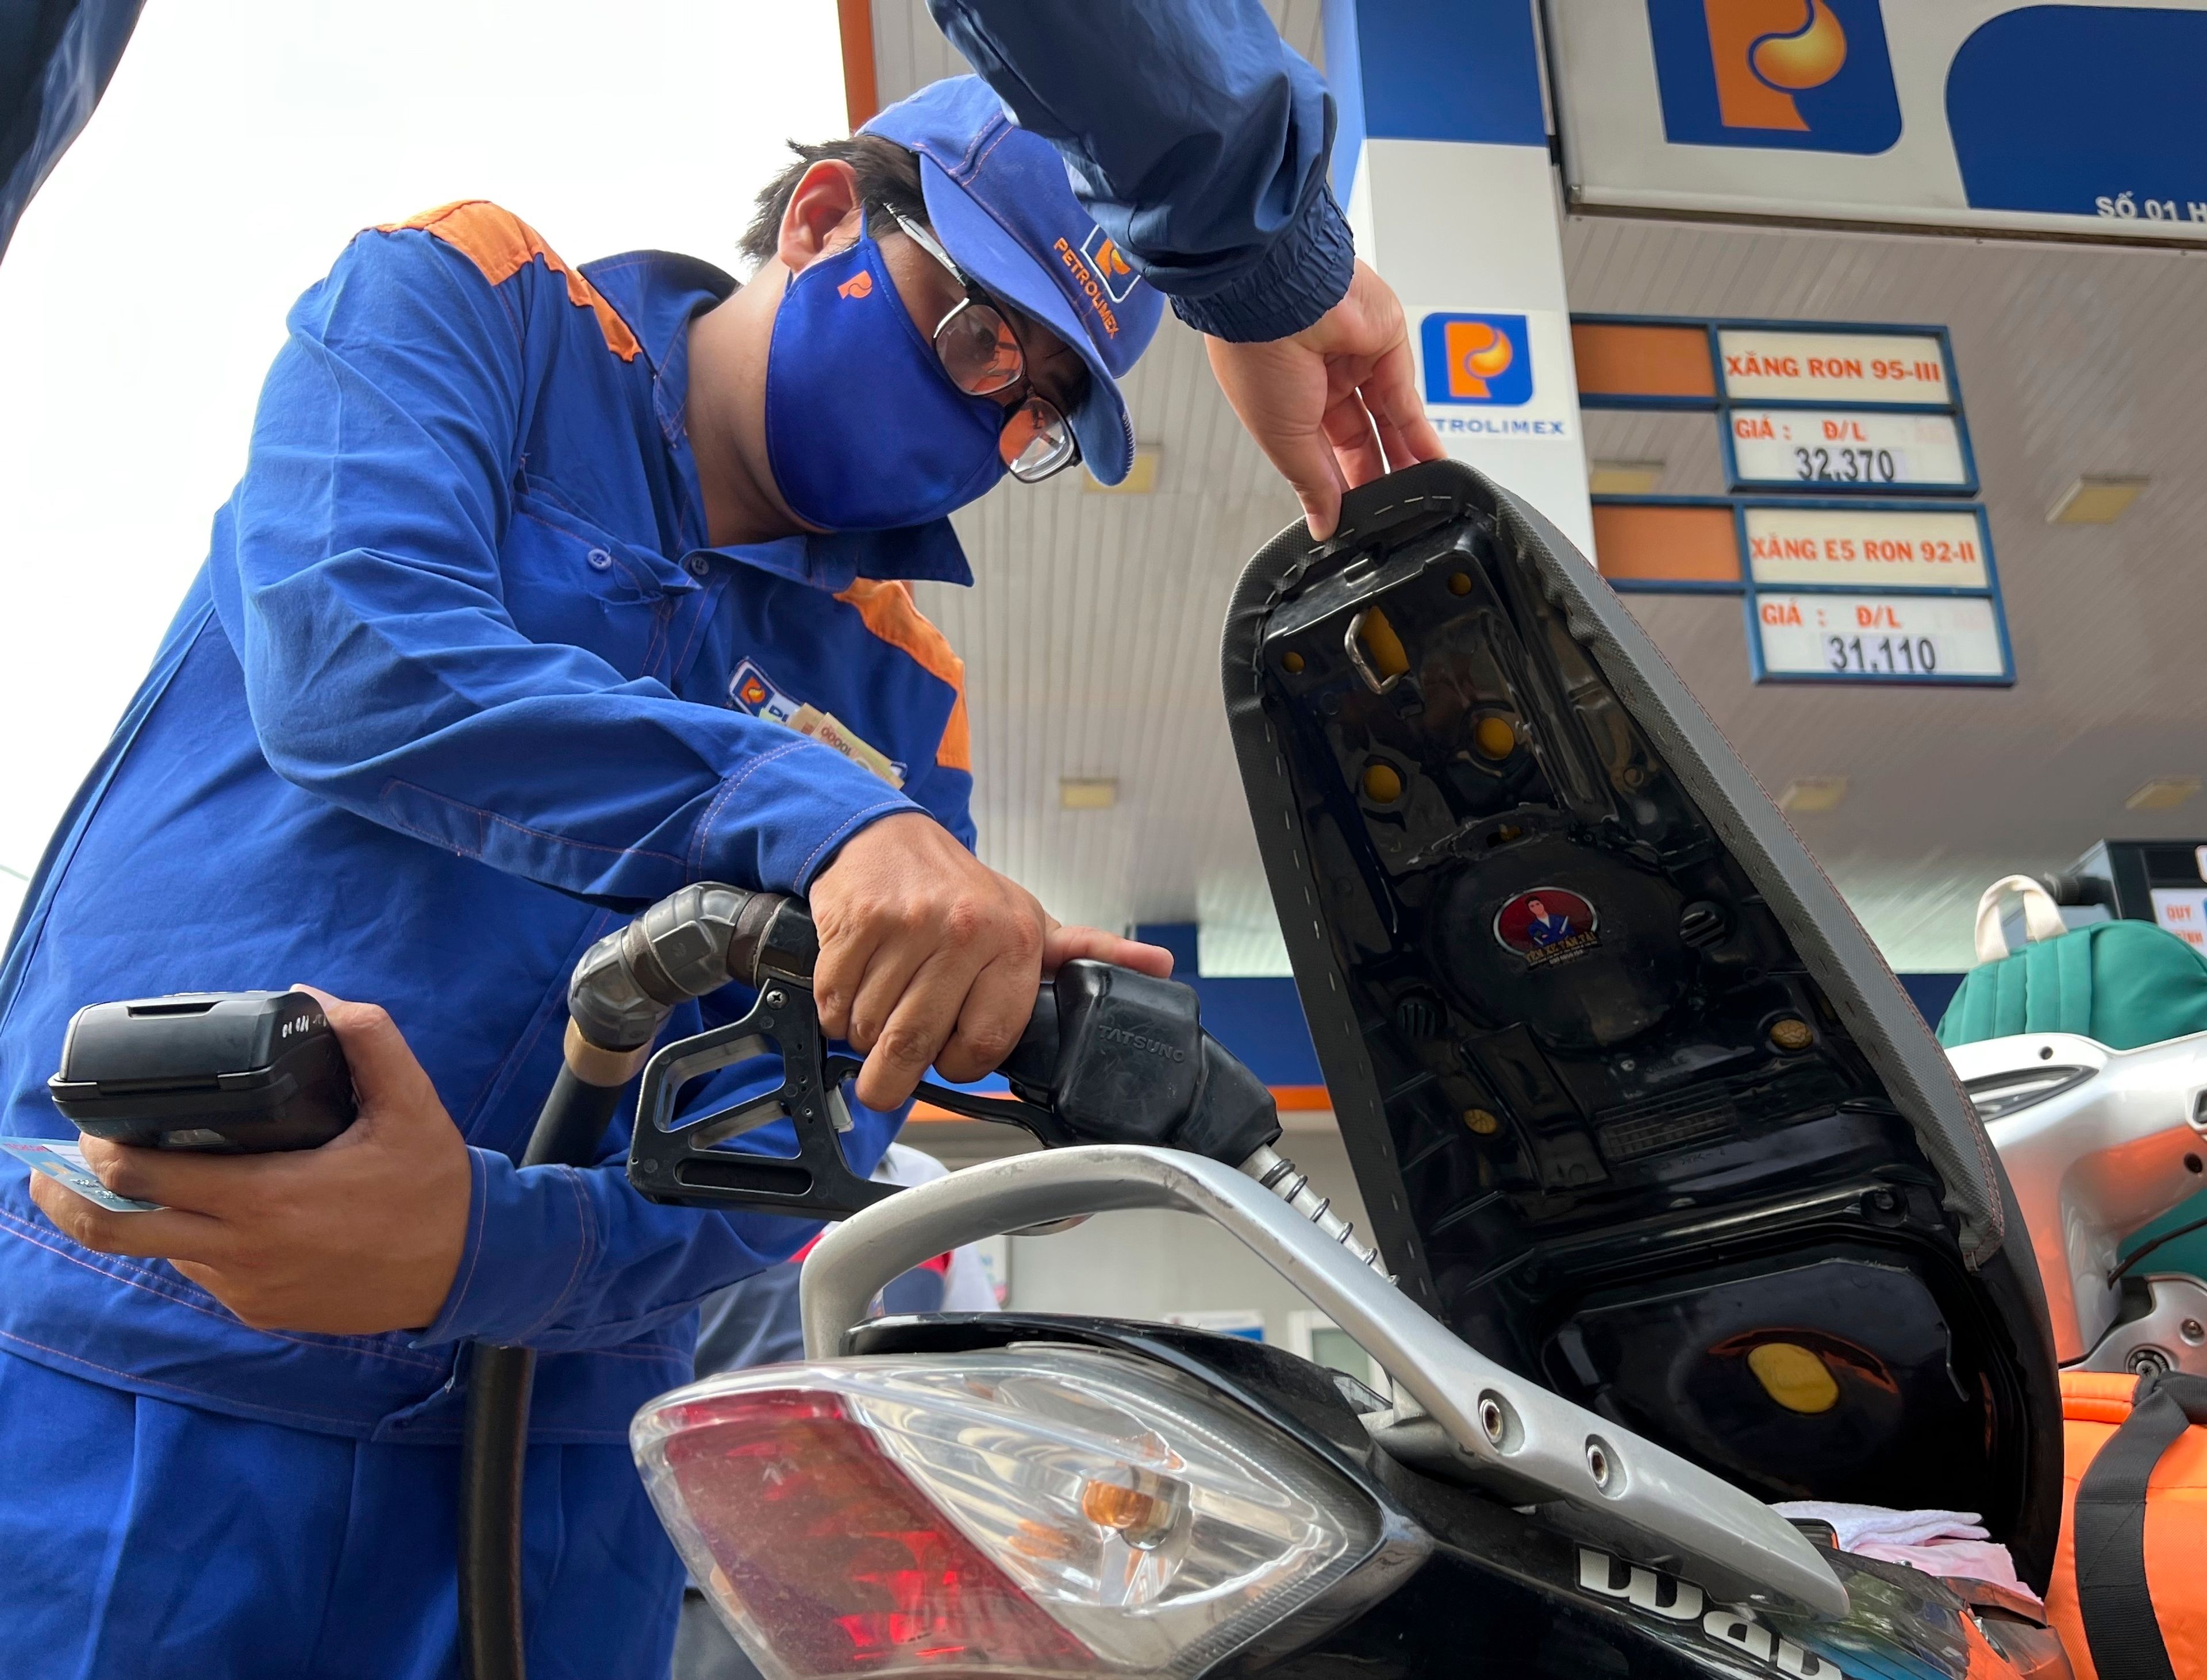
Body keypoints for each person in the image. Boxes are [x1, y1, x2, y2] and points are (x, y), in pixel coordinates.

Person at [0, 6, 1440, 1677]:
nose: (991, 420)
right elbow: (353, 647)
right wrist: (820, 813)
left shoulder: (905, 680)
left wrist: (485, 1244)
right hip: (140, 1371)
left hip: (543, 1462)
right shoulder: (474, 303)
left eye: (1040, 405)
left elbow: (798, 1137)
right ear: (828, 212)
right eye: (982, 334)